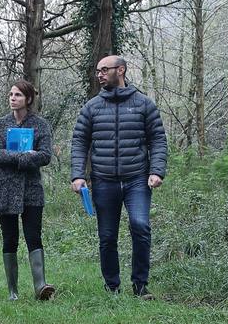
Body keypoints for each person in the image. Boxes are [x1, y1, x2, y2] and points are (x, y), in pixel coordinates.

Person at [70, 55, 169, 298]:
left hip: (137, 179)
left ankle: (140, 286)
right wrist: (77, 175)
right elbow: (79, 142)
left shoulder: (144, 104)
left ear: (121, 70)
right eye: (98, 71)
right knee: (107, 236)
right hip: (103, 180)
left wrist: (156, 170)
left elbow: (157, 139)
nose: (100, 74)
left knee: (140, 226)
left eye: (105, 70)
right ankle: (112, 286)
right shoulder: (91, 107)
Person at [0, 80, 56, 301]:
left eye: (18, 95)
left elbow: (45, 156)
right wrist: (22, 157)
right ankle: (12, 292)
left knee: (34, 235)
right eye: (11, 94)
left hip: (31, 189)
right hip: (5, 189)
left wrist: (20, 157)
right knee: (10, 238)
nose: (13, 98)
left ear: (28, 99)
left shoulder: (40, 125)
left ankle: (40, 286)